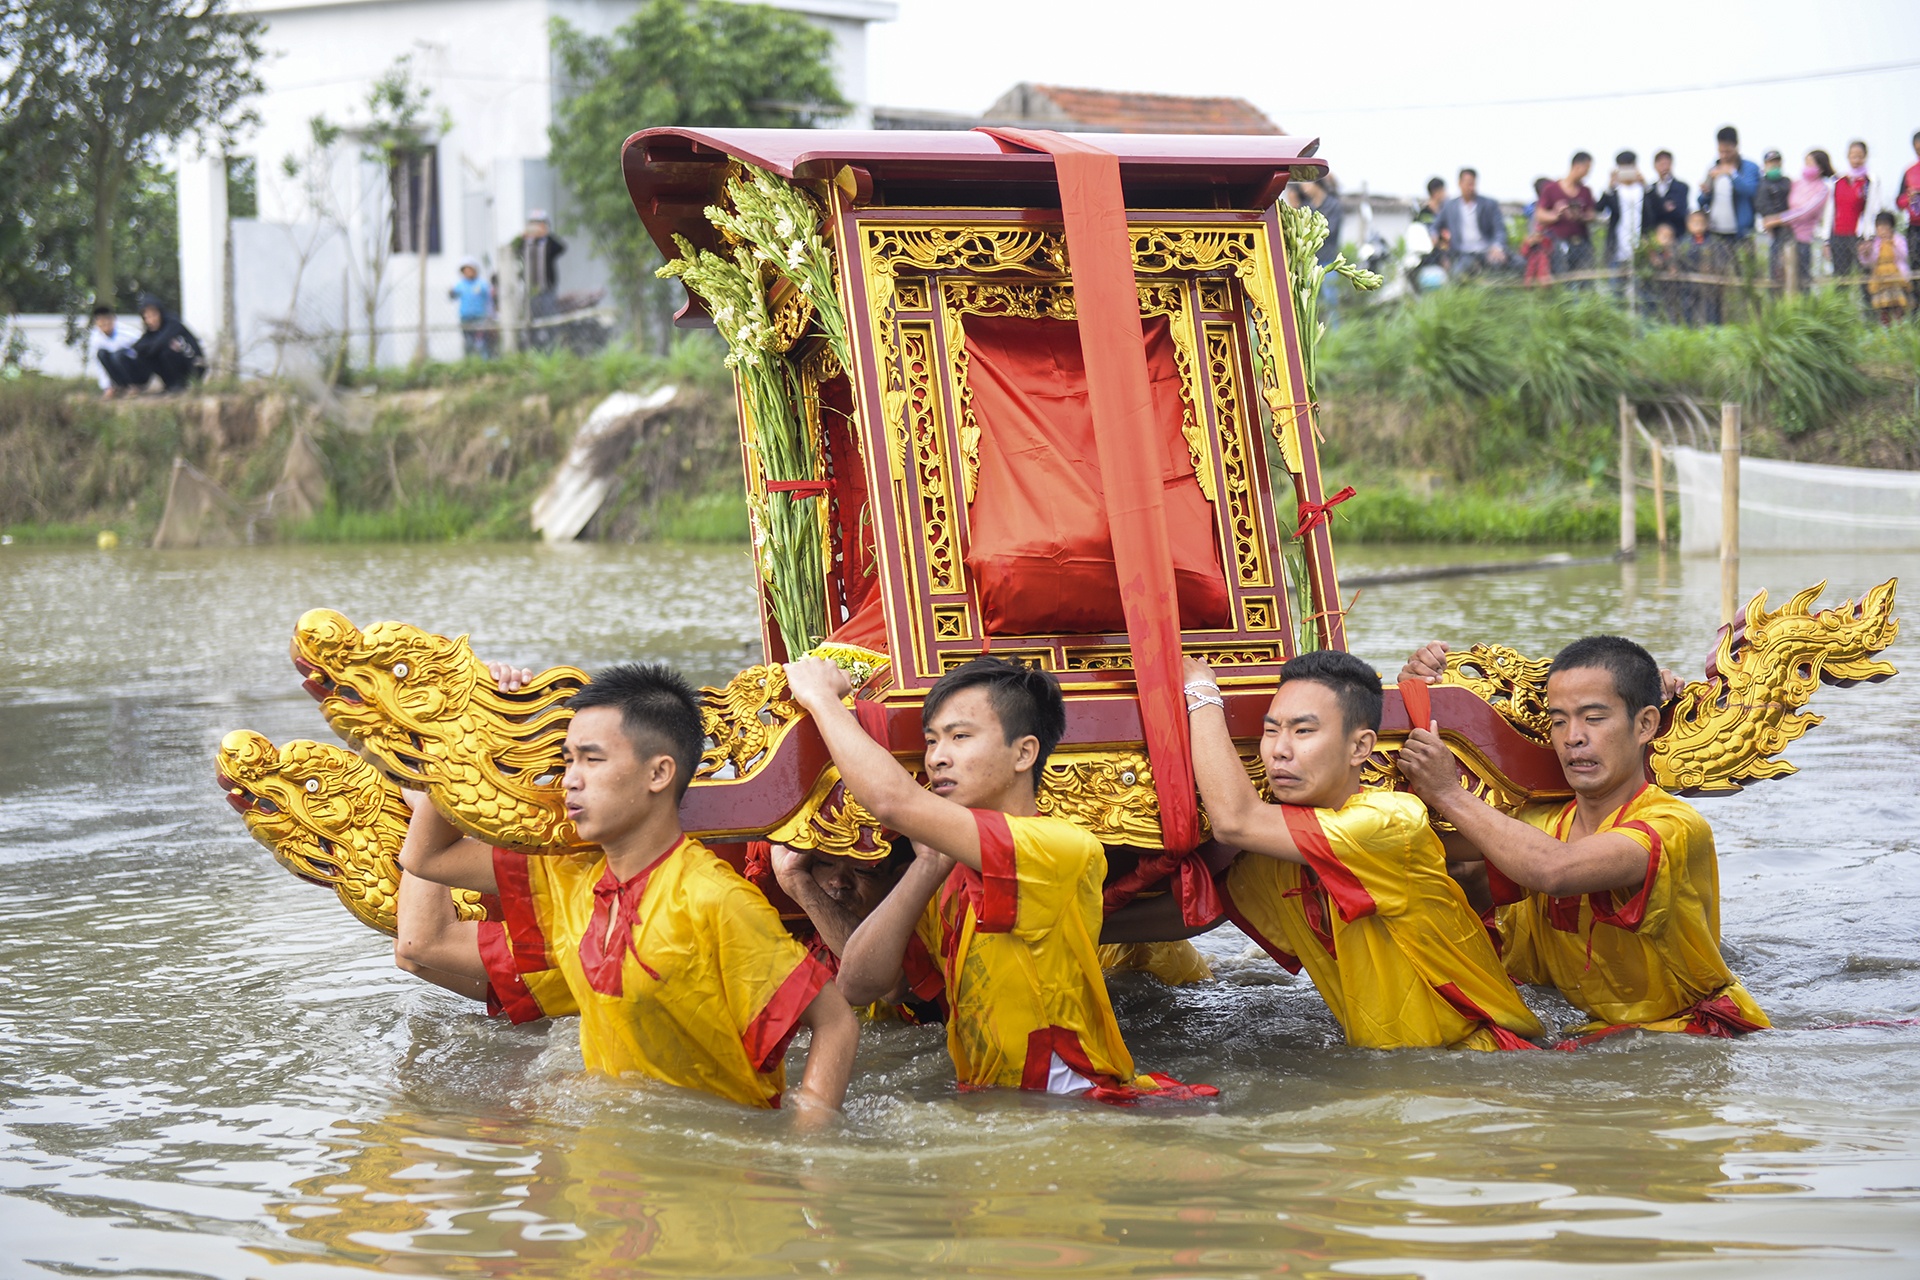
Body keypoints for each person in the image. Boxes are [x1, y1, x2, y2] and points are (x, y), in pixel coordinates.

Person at [397, 661, 858, 1124]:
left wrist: (808, 1152)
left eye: (592, 760)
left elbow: (835, 1022)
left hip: (709, 1174)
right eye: (566, 760)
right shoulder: (570, 875)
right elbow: (428, 859)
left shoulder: (714, 899)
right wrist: (475, 729)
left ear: (658, 774)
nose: (570, 780)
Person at [783, 654, 1212, 1100]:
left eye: (960, 737)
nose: (937, 758)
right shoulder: (942, 869)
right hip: (991, 1099)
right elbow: (860, 985)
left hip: (1074, 1099)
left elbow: (894, 803)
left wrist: (821, 700)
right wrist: (928, 864)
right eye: (931, 741)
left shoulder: (1057, 848)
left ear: (1024, 752)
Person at [1396, 636, 1769, 1044]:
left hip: (1683, 1036)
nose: (1573, 737)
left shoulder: (1675, 826)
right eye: (1558, 721)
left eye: (1593, 718)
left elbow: (1557, 869)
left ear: (1644, 724)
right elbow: (1419, 846)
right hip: (1584, 1030)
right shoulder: (1540, 821)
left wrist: (1449, 793)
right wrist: (1416, 702)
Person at [1185, 650, 1545, 1051]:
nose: (1279, 751)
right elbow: (1196, 910)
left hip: (1483, 1064)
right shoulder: (1273, 856)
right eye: (1271, 731)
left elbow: (1236, 821)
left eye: (1303, 732)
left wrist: (1200, 693)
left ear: (1360, 748)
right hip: (1408, 1071)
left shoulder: (1388, 821)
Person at [770, 841, 947, 1023]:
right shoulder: (791, 944)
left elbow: (890, 988)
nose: (838, 882)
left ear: (902, 879)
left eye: (863, 871)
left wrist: (797, 883)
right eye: (824, 863)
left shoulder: (926, 936)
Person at [97, 294, 206, 393]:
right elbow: (138, 347)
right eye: (147, 317)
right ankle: (170, 385)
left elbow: (158, 344)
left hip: (193, 366)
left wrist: (144, 348)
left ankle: (179, 384)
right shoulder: (151, 333)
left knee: (164, 351)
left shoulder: (173, 324)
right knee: (147, 355)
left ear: (160, 313)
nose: (151, 320)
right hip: (173, 365)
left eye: (153, 315)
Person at [1764, 150, 1831, 288]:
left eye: (1810, 164)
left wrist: (1778, 219)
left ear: (1820, 167)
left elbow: (1803, 212)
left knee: (1801, 284)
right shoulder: (1797, 183)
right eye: (1805, 163)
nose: (1806, 166)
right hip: (1783, 237)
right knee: (1777, 281)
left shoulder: (1822, 189)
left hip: (1801, 241)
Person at [1699, 126, 1760, 273]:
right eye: (1721, 151)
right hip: (1717, 232)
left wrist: (1732, 174)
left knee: (1745, 274)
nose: (1724, 155)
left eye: (1728, 151)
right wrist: (1705, 192)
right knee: (1719, 273)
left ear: (1736, 146)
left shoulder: (1749, 168)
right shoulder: (1713, 168)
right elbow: (1702, 201)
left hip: (1741, 232)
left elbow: (1750, 190)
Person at [1433, 168, 1509, 275]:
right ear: (1460, 183)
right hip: (1463, 253)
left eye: (1473, 184)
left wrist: (1497, 246)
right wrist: (1435, 235)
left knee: (1500, 269)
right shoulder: (1449, 206)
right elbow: (1435, 226)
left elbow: (1500, 230)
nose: (1471, 187)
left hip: (1487, 250)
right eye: (1468, 184)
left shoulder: (1489, 204)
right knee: (1458, 274)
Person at [1828, 141, 1883, 284]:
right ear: (1848, 157)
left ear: (1865, 157)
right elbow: (1829, 210)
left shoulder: (1870, 181)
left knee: (1864, 279)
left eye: (1860, 156)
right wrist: (1826, 239)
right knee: (1841, 279)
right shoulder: (1837, 180)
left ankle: (1867, 307)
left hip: (1859, 237)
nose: (1856, 160)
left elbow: (1874, 210)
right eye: (1853, 156)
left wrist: (1869, 238)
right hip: (1838, 235)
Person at [1536, 151, 1597, 275]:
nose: (1587, 173)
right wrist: (1556, 214)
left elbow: (1592, 215)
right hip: (1558, 243)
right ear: (1577, 166)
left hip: (1582, 242)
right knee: (1561, 277)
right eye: (1587, 168)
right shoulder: (1551, 189)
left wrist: (1580, 216)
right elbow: (1540, 215)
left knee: (1585, 278)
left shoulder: (1586, 191)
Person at [513, 211, 566, 347]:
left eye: (539, 224)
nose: (535, 227)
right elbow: (512, 249)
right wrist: (522, 236)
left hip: (547, 288)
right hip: (530, 290)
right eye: (533, 224)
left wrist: (546, 234)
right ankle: (533, 347)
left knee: (549, 319)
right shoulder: (525, 243)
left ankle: (554, 347)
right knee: (531, 320)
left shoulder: (548, 243)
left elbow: (561, 248)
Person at [1596, 150, 1647, 271]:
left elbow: (1656, 209)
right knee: (1615, 287)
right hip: (1617, 247)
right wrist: (1610, 186)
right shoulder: (1613, 192)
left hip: (1641, 246)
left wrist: (1644, 184)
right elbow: (1598, 208)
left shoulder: (1643, 191)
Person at [1862, 210, 1912, 324]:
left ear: (1891, 227)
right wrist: (1866, 253)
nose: (1882, 231)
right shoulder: (1875, 243)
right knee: (1883, 308)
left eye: (1885, 227)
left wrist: (1892, 244)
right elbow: (1870, 261)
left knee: (1898, 307)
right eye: (1879, 228)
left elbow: (1903, 256)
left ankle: (1900, 327)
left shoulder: (1898, 240)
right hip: (1881, 281)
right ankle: (1885, 328)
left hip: (1896, 279)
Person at [1675, 207, 1719, 325]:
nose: (1698, 226)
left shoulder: (1712, 242)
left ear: (1706, 225)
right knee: (1688, 305)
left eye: (1701, 223)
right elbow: (1679, 260)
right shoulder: (1684, 243)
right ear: (1688, 225)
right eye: (1694, 223)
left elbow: (1719, 260)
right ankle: (1688, 327)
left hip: (1708, 283)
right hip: (1689, 281)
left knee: (1710, 307)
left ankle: (1712, 328)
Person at [85, 304, 136, 398]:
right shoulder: (95, 339)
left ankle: (133, 386)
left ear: (113, 319)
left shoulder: (127, 333)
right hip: (118, 373)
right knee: (101, 354)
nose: (105, 323)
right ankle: (119, 387)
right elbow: (99, 365)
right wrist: (106, 387)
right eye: (101, 320)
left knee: (118, 356)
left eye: (107, 319)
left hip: (134, 370)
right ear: (96, 322)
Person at [449, 257, 494, 359]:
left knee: (481, 342)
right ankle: (469, 362)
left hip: (480, 317)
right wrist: (451, 292)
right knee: (468, 343)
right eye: (465, 270)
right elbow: (453, 296)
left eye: (470, 269)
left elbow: (489, 300)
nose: (468, 272)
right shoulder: (460, 285)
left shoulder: (482, 284)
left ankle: (484, 363)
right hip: (465, 317)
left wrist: (490, 316)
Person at [1642, 149, 1690, 242]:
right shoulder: (1650, 189)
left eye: (1667, 164)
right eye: (1661, 164)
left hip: (1677, 234)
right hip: (1655, 234)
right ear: (1655, 166)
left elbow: (1680, 211)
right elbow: (1649, 213)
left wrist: (1659, 206)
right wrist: (1664, 206)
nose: (1664, 167)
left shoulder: (1681, 187)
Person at [1896, 130, 1920, 278]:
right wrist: (1909, 199)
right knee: (1915, 266)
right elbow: (1898, 201)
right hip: (1915, 228)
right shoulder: (1909, 171)